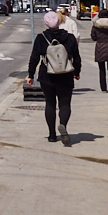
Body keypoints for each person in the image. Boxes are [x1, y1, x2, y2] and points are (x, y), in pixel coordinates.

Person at [27, 11, 82, 145]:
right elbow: (76, 57)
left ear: (46, 23)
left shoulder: (41, 38)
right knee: (65, 103)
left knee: (50, 103)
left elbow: (34, 58)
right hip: (66, 74)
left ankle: (52, 135)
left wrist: (31, 75)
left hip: (47, 76)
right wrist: (77, 72)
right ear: (59, 22)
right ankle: (63, 125)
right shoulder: (69, 37)